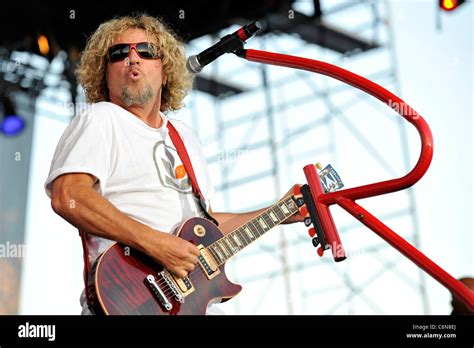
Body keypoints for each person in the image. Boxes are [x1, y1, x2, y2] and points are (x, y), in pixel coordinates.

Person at [44, 14, 305, 315]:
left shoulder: (185, 137)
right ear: (104, 73)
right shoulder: (100, 118)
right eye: (119, 53)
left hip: (191, 304)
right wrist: (156, 244)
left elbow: (206, 228)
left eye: (146, 51)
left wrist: (280, 211)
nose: (132, 58)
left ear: (165, 71)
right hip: (130, 300)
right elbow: (69, 197)